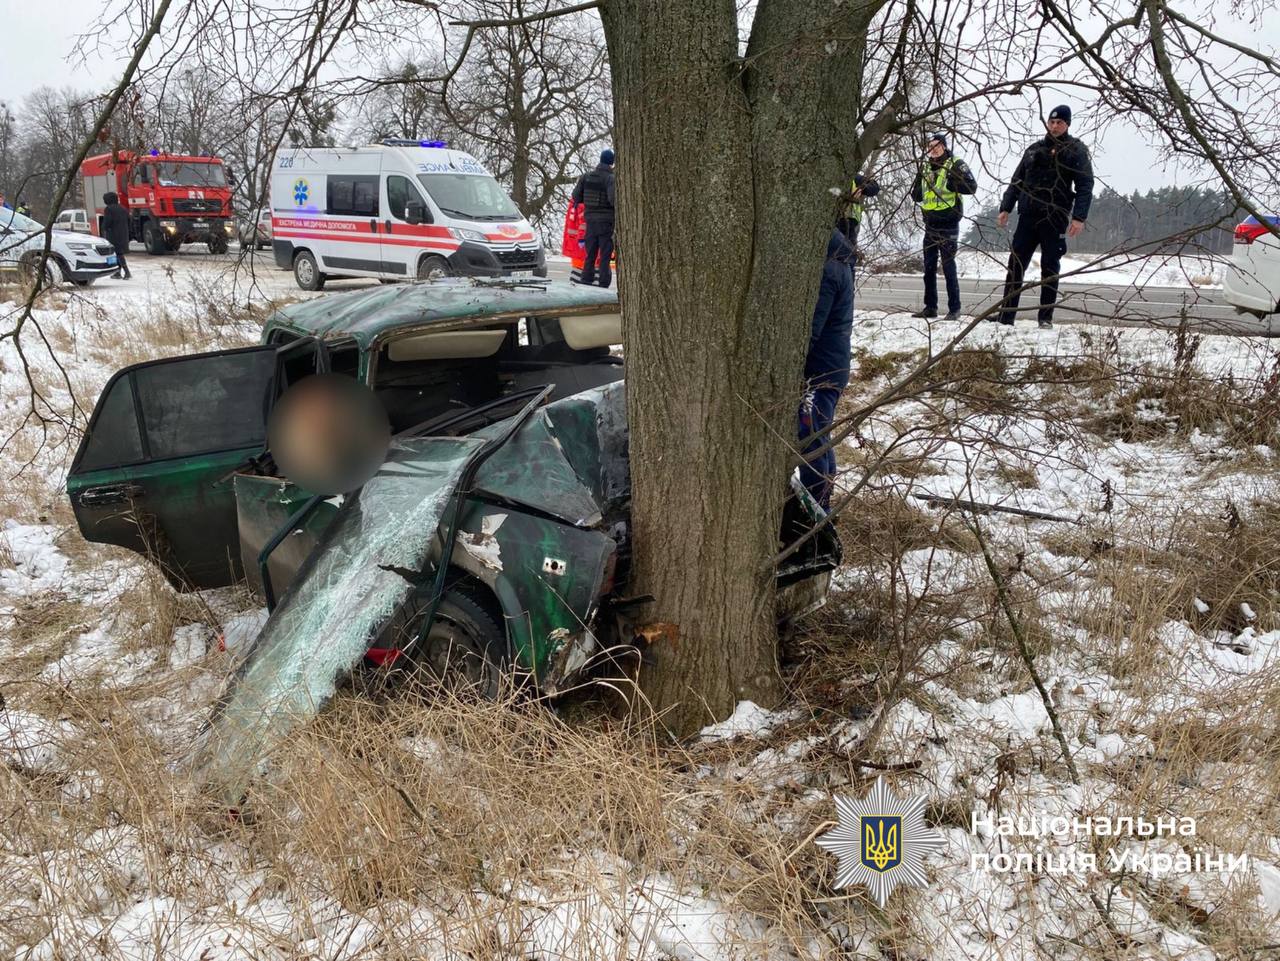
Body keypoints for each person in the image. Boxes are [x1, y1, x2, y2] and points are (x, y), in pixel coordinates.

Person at [995, 105, 1095, 329]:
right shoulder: (1034, 150)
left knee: (1050, 266)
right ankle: (1006, 315)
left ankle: (1045, 318)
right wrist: (1006, 207)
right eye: (1052, 122)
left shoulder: (1075, 151)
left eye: (1059, 123)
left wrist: (1079, 217)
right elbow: (1017, 180)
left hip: (1055, 217)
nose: (1055, 126)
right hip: (1028, 216)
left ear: (1067, 124)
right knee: (1016, 265)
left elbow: (1085, 185)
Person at [799, 230, 857, 509]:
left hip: (821, 372)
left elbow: (811, 328)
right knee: (818, 436)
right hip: (830, 367)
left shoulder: (828, 271)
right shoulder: (839, 262)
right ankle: (824, 506)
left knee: (811, 439)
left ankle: (818, 509)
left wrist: (796, 359)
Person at [910, 132, 977, 320]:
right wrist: (918, 194)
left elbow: (971, 187)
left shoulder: (955, 164)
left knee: (948, 267)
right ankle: (930, 307)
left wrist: (951, 184)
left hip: (948, 223)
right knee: (928, 268)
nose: (933, 150)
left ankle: (954, 309)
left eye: (937, 145)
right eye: (930, 146)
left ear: (944, 146)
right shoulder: (924, 166)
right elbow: (915, 192)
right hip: (930, 223)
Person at [571, 148, 616, 288]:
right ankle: (603, 283)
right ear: (611, 163)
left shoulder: (586, 176)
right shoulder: (610, 178)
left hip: (590, 220)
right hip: (606, 222)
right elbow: (613, 199)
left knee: (590, 253)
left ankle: (586, 279)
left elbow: (576, 196)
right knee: (605, 255)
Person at [836, 173, 880, 251]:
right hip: (833, 223)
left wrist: (862, 188)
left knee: (847, 253)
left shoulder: (852, 176)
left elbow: (874, 187)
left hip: (848, 223)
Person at [102, 191, 132, 280]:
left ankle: (126, 272)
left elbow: (107, 222)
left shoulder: (108, 209)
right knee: (118, 253)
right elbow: (129, 221)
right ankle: (117, 272)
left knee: (117, 254)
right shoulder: (123, 208)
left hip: (113, 234)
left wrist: (104, 228)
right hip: (123, 234)